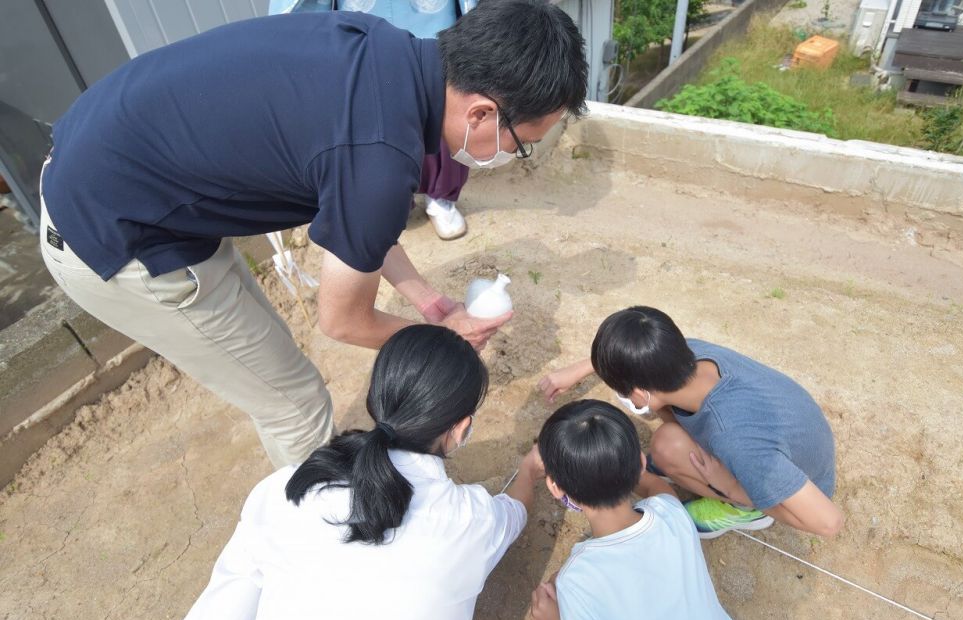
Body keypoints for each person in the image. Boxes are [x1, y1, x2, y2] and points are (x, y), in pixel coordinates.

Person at [39, 1, 588, 467]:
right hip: (116, 236)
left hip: (106, 166)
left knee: (266, 356)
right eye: (521, 142)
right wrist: (448, 341)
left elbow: (355, 206)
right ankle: (317, 550)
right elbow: (342, 321)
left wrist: (424, 298)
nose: (517, 155)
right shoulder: (380, 158)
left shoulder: (379, 45)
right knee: (295, 404)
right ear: (482, 113)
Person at [175, 325, 547, 620]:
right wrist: (530, 467)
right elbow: (514, 509)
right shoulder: (473, 520)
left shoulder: (289, 489)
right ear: (461, 428)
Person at [538, 306, 843, 539]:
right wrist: (576, 371)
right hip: (794, 431)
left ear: (638, 392)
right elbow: (634, 353)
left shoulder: (736, 439)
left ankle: (746, 510)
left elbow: (829, 522)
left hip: (800, 483)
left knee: (667, 446)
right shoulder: (686, 353)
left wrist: (733, 488)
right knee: (668, 432)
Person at [528, 399, 759, 620]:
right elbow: (655, 487)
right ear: (640, 462)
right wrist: (613, 465)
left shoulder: (576, 582)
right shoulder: (670, 512)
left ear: (555, 488)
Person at [269, 0, 476, 239]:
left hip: (433, 24)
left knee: (440, 99)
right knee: (373, 115)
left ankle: (441, 196)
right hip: (363, 31)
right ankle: (393, 198)